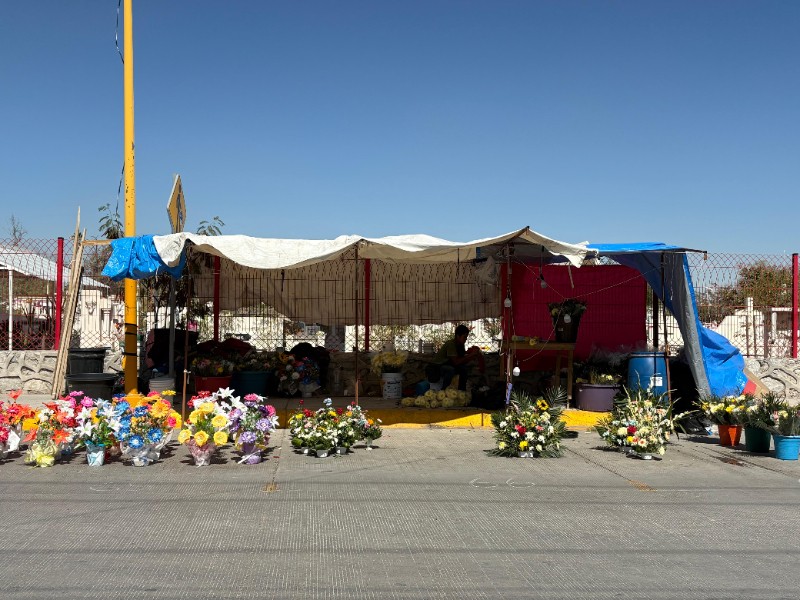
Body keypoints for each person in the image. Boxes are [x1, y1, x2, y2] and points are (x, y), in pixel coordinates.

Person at [432, 324, 484, 391]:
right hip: (438, 366)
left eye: (466, 337)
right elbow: (456, 362)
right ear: (458, 336)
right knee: (450, 370)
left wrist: (472, 356)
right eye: (464, 337)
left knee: (464, 369)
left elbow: (462, 360)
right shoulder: (451, 344)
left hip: (449, 364)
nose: (465, 339)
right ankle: (444, 390)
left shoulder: (461, 345)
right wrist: (470, 355)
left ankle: (461, 391)